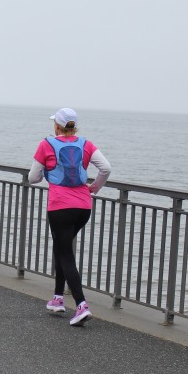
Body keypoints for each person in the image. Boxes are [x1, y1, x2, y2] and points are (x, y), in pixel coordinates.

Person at [28, 107, 112, 326]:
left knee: (65, 253)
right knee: (61, 246)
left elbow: (33, 178)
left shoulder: (46, 144)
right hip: (83, 207)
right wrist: (94, 188)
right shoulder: (86, 144)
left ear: (57, 125)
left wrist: (47, 172)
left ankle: (81, 305)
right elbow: (106, 168)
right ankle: (57, 298)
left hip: (60, 207)